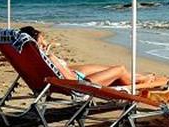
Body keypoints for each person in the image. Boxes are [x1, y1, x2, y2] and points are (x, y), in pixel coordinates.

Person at [19, 26, 153, 87]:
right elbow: (71, 80)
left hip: (69, 76)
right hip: (79, 83)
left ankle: (138, 77)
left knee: (107, 69)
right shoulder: (49, 58)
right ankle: (142, 80)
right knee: (120, 69)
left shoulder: (29, 57)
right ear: (36, 41)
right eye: (42, 39)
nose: (45, 42)